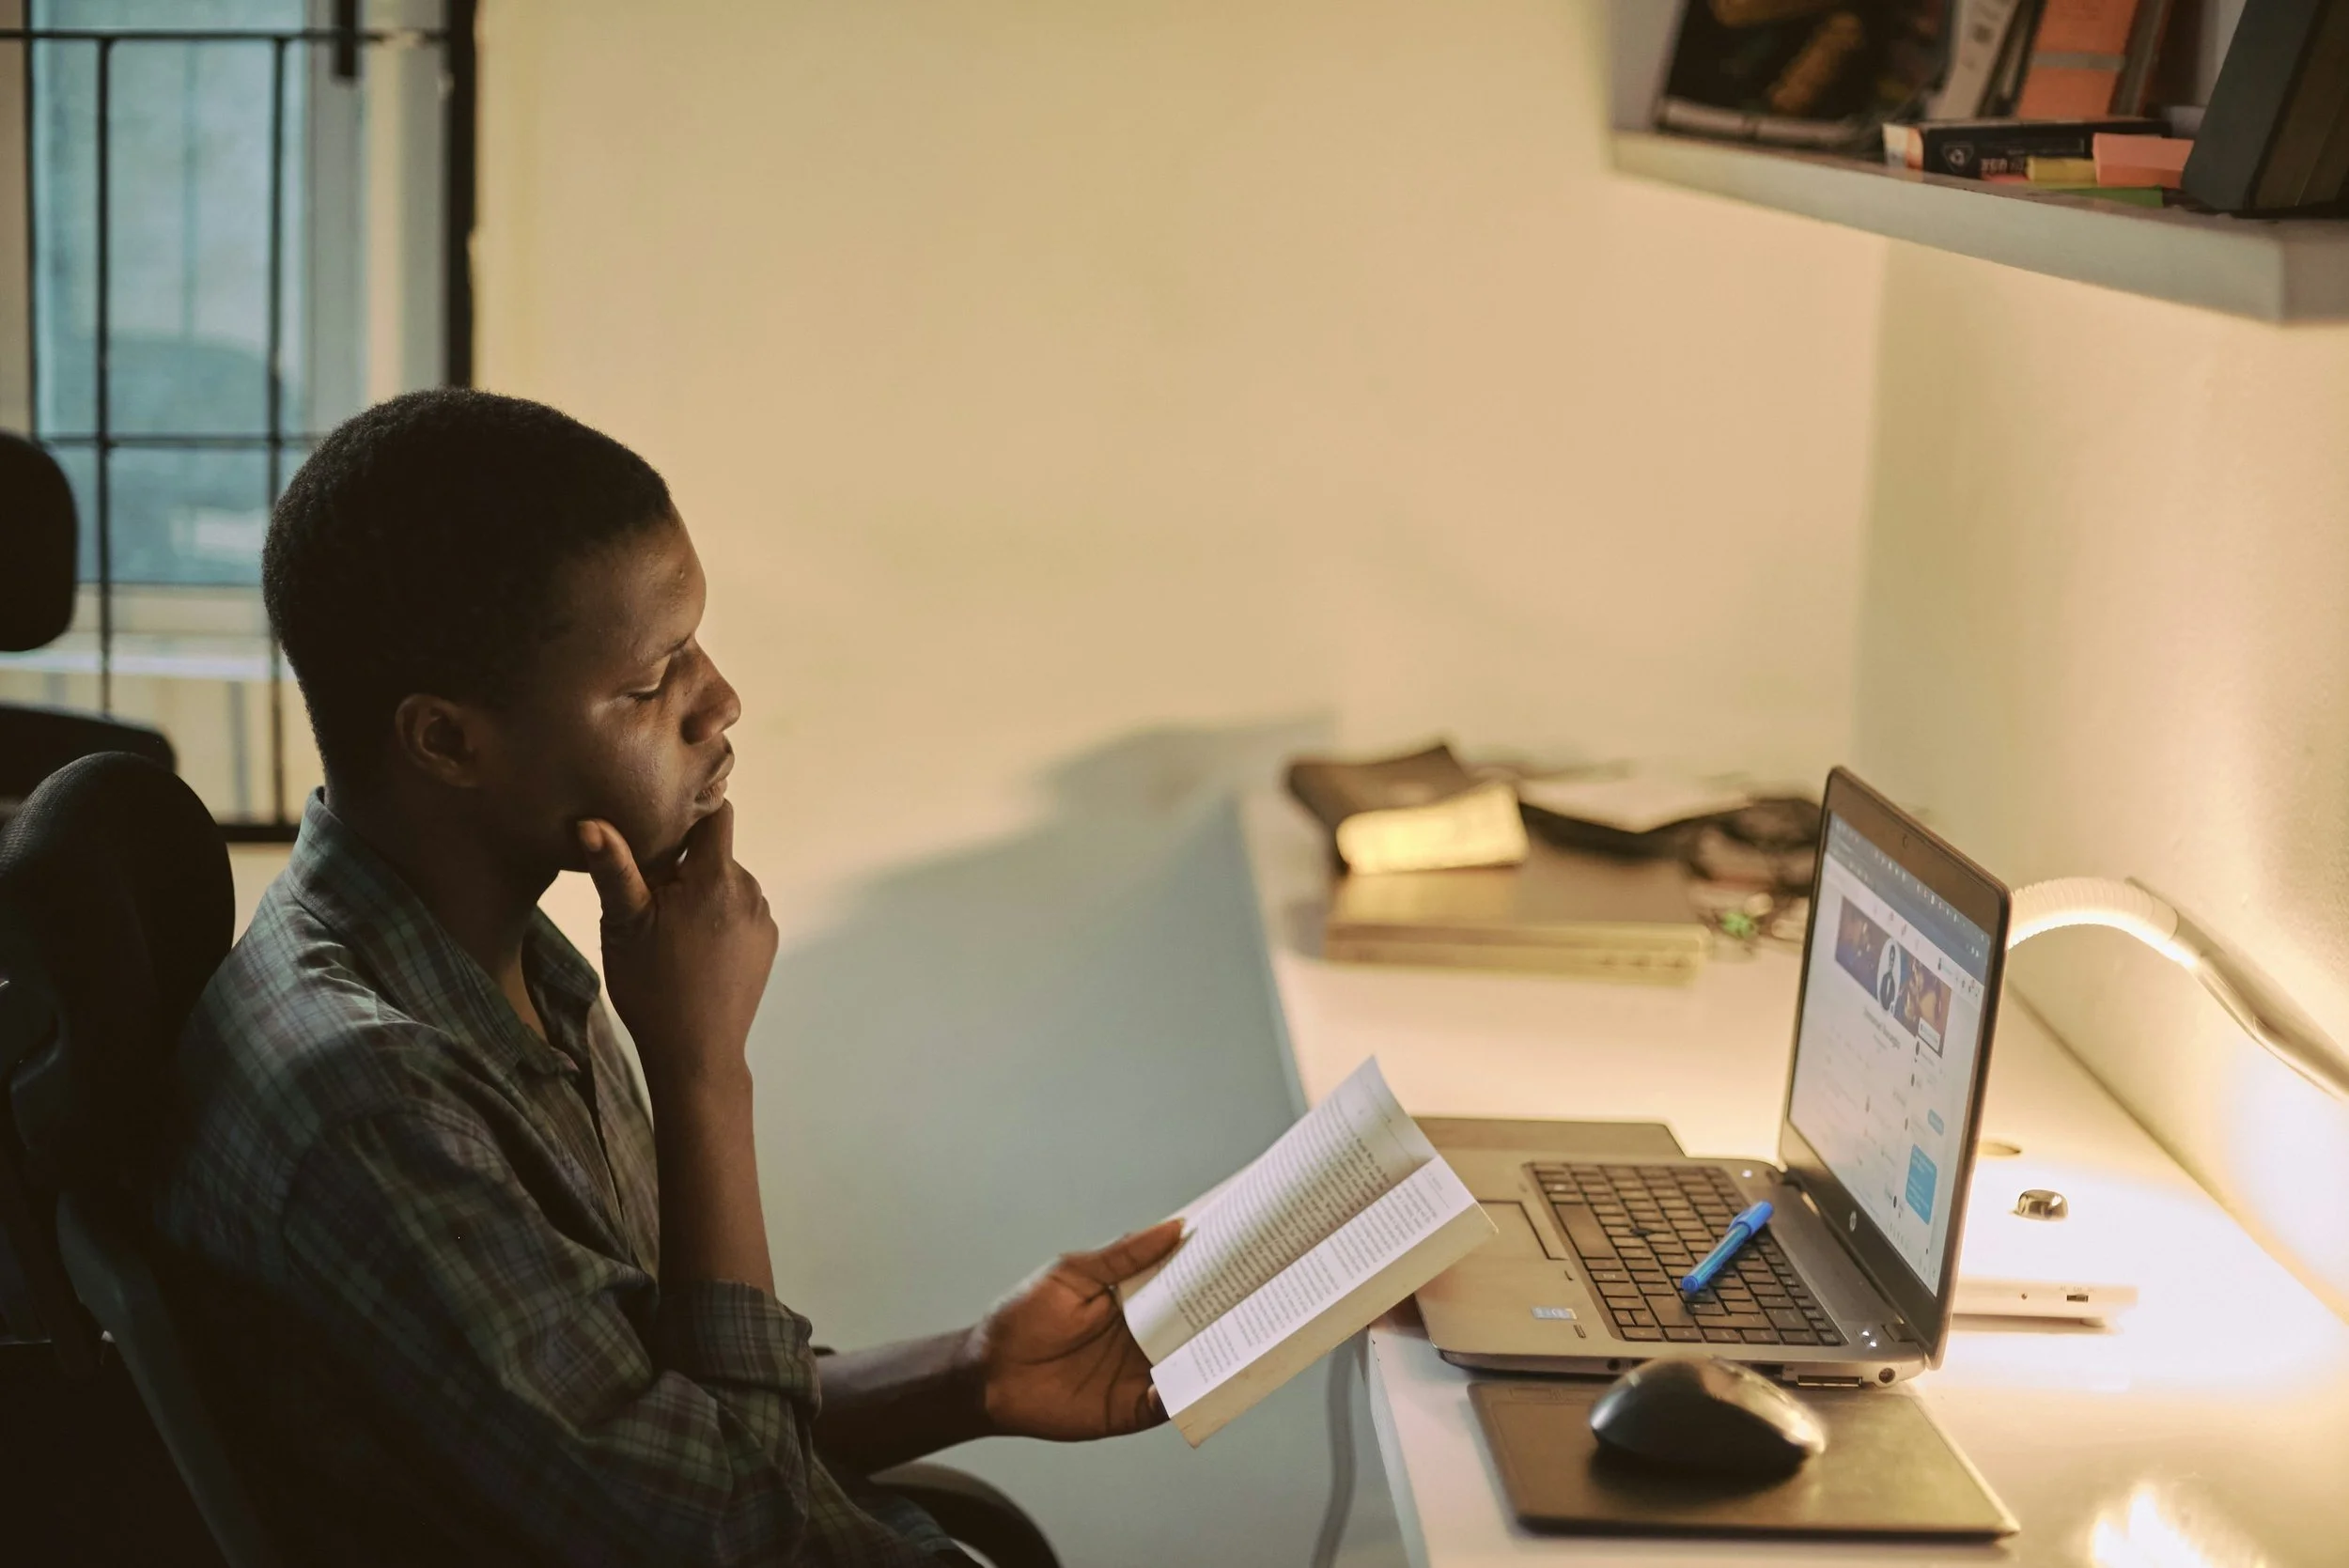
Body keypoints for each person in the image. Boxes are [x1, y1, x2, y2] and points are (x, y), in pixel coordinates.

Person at [152, 389, 1182, 1567]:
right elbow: (737, 1530)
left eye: (693, 644)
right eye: (651, 683)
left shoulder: (507, 953)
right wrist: (702, 1070)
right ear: (446, 741)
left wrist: (973, 1372)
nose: (719, 701)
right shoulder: (371, 1105)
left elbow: (664, 1405)